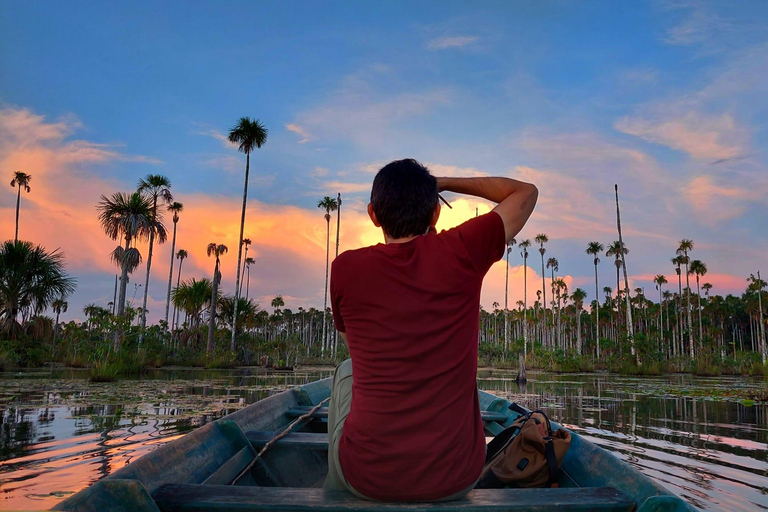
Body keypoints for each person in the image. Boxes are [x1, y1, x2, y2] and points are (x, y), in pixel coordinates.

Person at [325, 158, 538, 502]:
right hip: (455, 479)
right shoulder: (463, 249)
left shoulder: (345, 268)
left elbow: (356, 349)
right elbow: (525, 192)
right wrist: (443, 183)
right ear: (435, 215)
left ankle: (334, 493)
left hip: (366, 476)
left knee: (347, 370)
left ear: (373, 215)